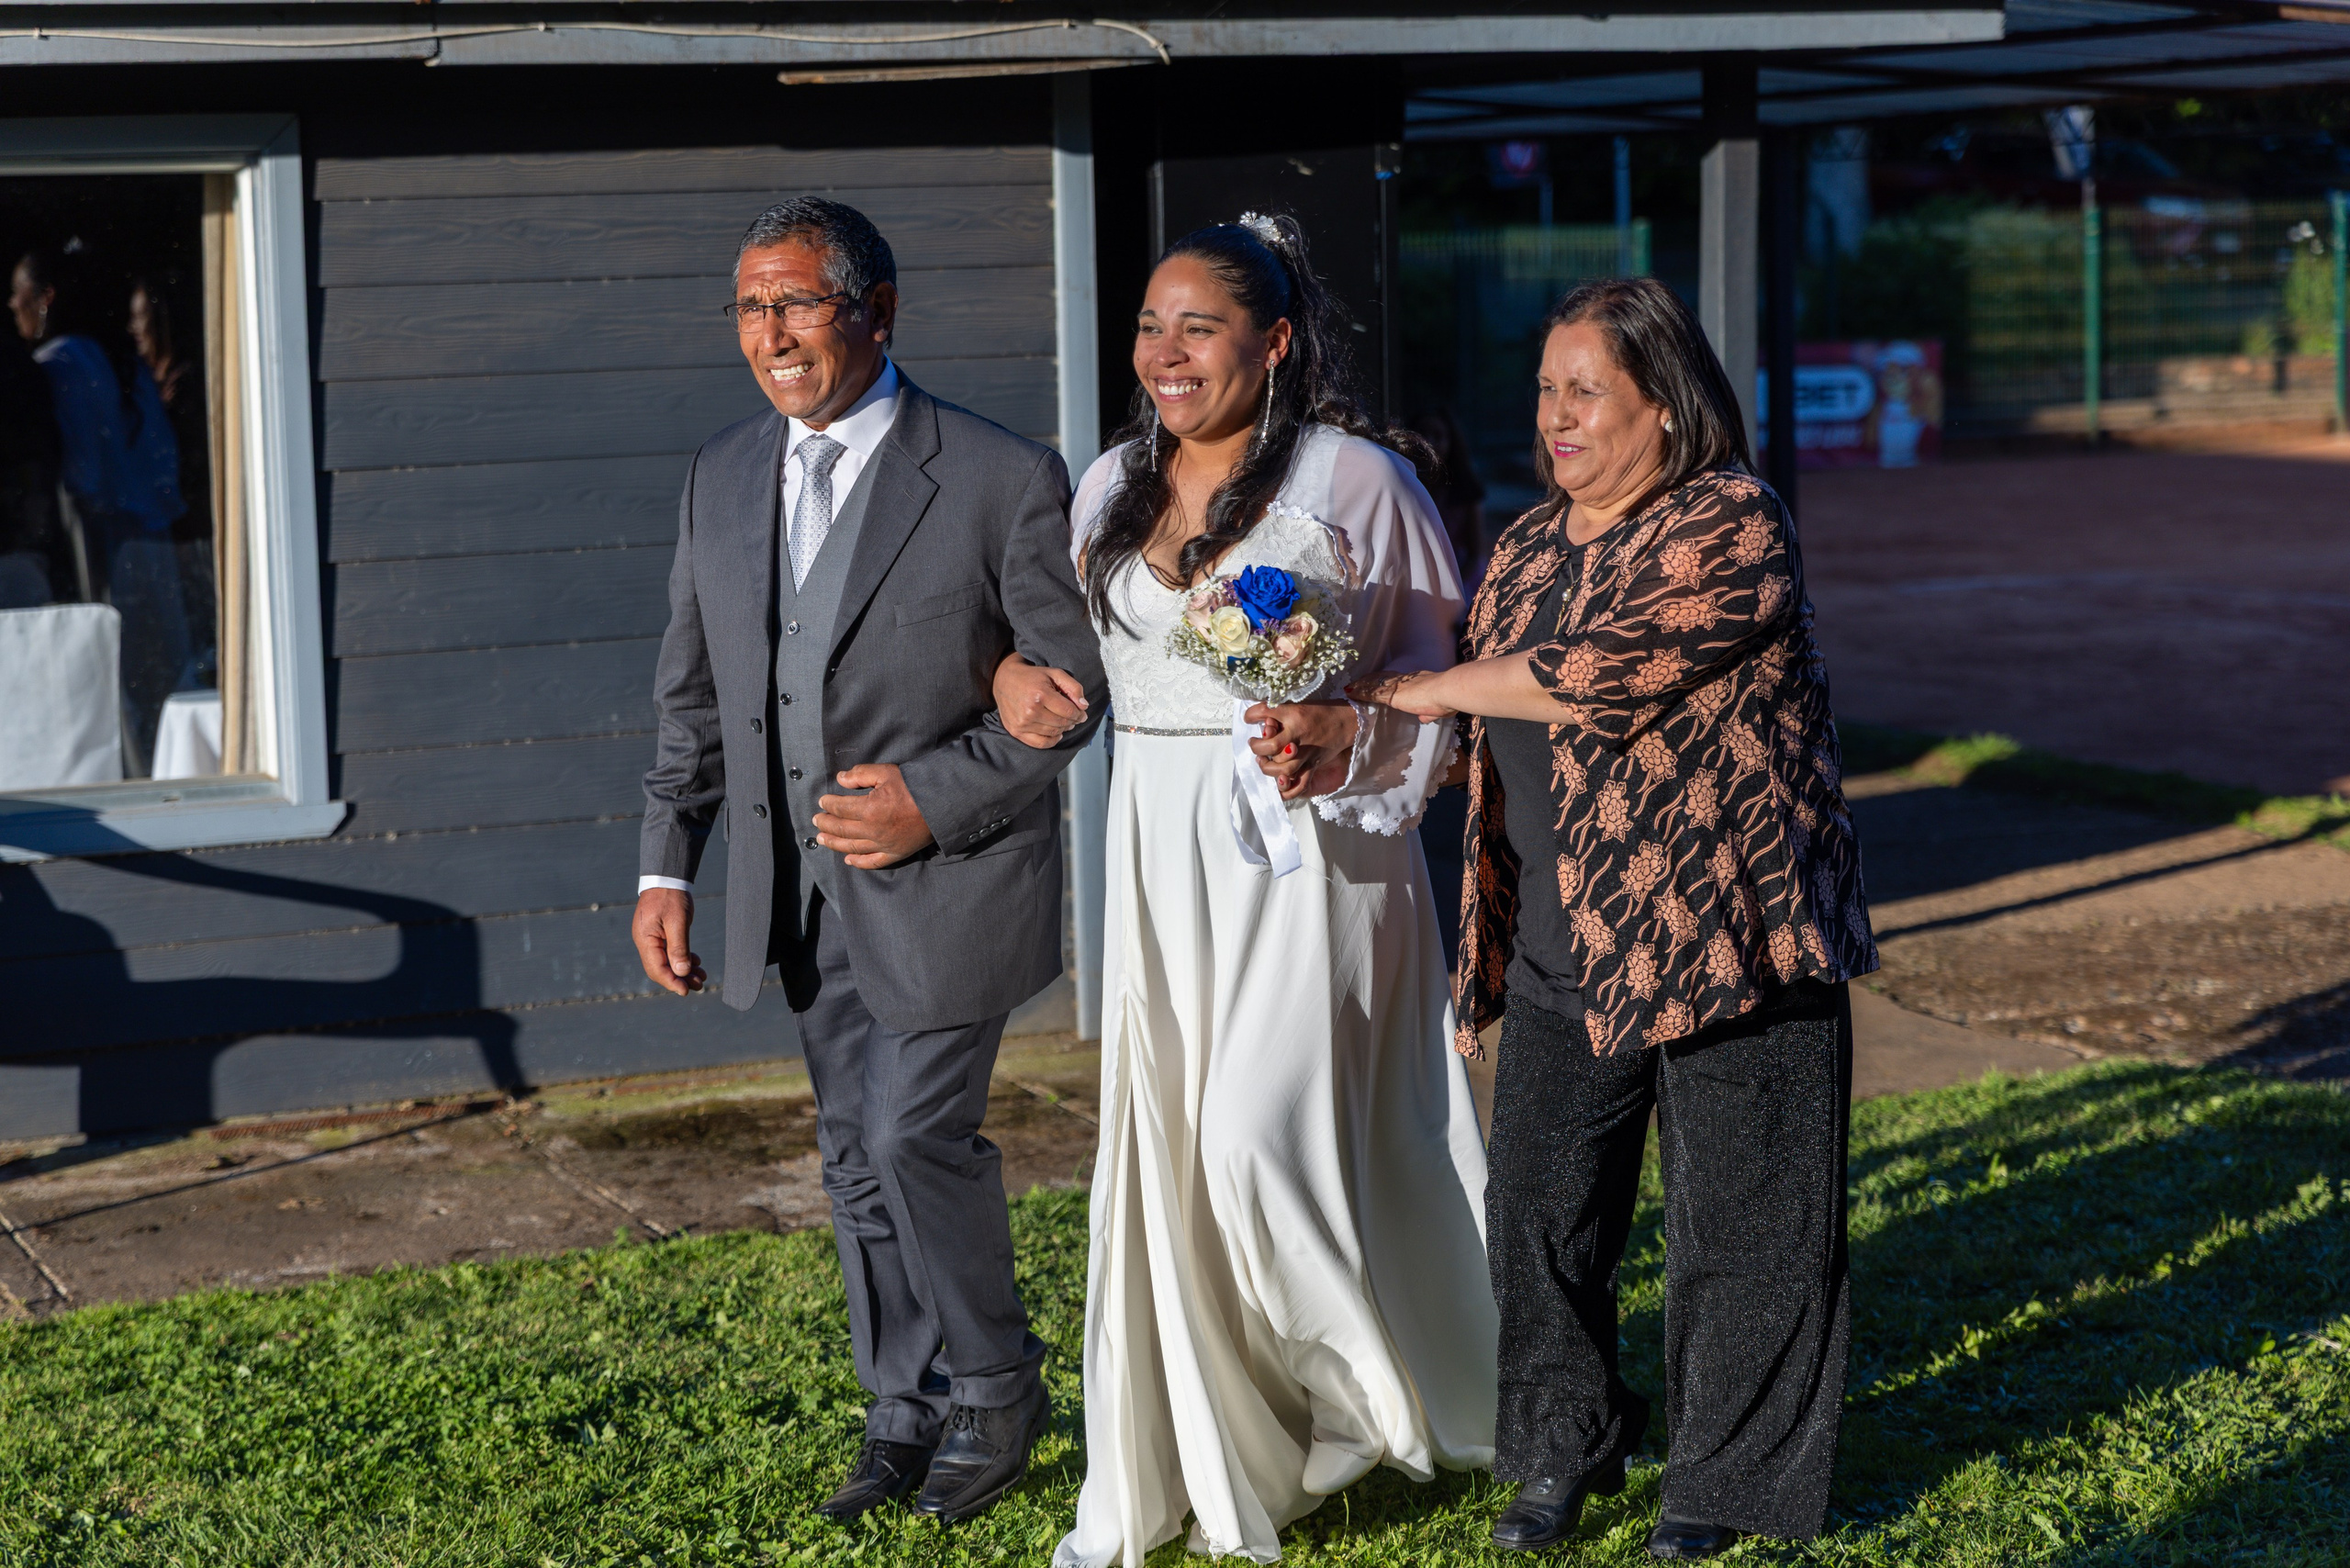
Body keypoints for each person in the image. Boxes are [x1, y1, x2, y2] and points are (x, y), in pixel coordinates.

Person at [990, 213, 1497, 1568]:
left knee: (1255, 1146)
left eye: (1197, 326)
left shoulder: (1358, 480)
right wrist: (1010, 681)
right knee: (1170, 1155)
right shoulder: (1105, 488)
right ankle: (1222, 1445)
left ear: (1274, 343)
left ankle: (1369, 1402)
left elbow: (1445, 698)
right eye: (1151, 326)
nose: (1164, 353)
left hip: (1312, 850)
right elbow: (1089, 667)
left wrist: (1339, 736)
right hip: (1157, 841)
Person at [1353, 276, 1877, 1561]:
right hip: (1557, 950)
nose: (1558, 416)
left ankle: (1726, 1486)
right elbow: (1482, 712)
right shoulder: (1529, 548)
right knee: (1534, 1220)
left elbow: (1601, 673)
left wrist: (1415, 690)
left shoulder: (1733, 521)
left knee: (1746, 1231)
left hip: (1729, 946)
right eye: (1546, 390)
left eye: (1587, 390)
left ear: (1666, 401)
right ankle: (1557, 1452)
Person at [630, 198, 1110, 1526]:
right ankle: (902, 1405)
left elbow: (1070, 686)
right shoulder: (720, 473)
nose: (770, 333)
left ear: (877, 312)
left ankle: (999, 1388)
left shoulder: (1003, 474)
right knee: (851, 1153)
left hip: (950, 883)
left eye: (797, 302)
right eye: (749, 308)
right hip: (793, 896)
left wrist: (936, 799)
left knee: (914, 1136)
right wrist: (667, 865)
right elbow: (694, 695)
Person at [11, 246, 192, 773]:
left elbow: (80, 472)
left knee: (110, 671)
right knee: (160, 667)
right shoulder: (123, 364)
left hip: (98, 542)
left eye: (18, 293)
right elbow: (163, 465)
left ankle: (135, 778)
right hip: (149, 541)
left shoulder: (57, 365)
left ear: (44, 299)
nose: (9, 303)